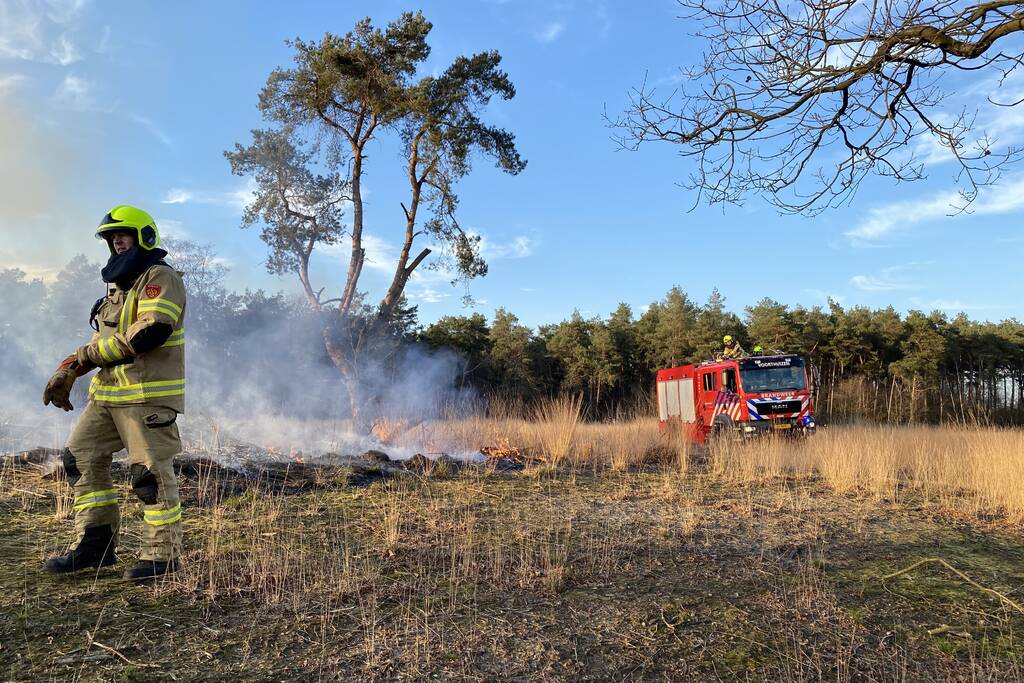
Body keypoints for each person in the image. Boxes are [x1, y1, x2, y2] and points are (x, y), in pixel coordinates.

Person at [42, 206, 187, 581]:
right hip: (106, 398)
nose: (116, 242)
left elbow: (150, 332)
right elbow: (103, 341)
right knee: (80, 457)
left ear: (145, 237)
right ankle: (96, 545)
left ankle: (162, 555)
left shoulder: (160, 278)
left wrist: (84, 357)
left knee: (149, 476)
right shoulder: (116, 292)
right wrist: (69, 369)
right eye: (111, 238)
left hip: (145, 399)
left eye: (123, 235)